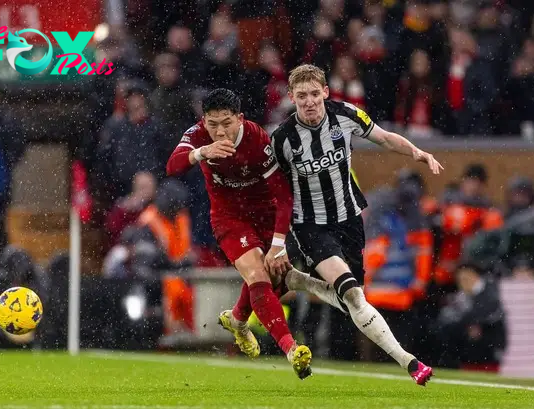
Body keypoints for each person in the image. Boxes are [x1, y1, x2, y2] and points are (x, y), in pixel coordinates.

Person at [271, 64, 443, 386]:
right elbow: (275, 193)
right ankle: (409, 362)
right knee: (352, 293)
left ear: (325, 92)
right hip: (311, 226)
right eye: (301, 96)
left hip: (349, 220)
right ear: (292, 98)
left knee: (354, 298)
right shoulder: (282, 139)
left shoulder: (346, 115)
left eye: (313, 94)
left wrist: (418, 153)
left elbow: (385, 138)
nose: (308, 102)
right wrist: (277, 242)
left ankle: (300, 281)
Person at [166, 88, 343, 379]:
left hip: (265, 214)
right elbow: (172, 166)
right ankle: (292, 349)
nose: (219, 131)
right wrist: (200, 153)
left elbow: (284, 196)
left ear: (240, 119)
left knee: (274, 274)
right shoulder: (198, 134)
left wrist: (277, 245)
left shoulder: (257, 139)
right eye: (213, 124)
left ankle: (237, 319)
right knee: (258, 275)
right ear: (204, 121)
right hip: (229, 218)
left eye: (226, 123)